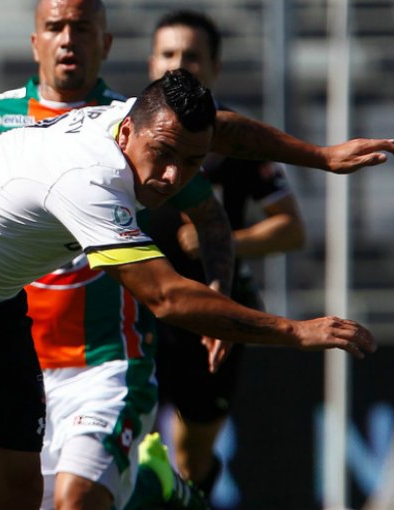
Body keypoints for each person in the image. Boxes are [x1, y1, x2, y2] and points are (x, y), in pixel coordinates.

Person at [0, 68, 394, 510]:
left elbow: (221, 127)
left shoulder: (128, 118)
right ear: (129, 133)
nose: (171, 178)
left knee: (15, 493)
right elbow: (166, 298)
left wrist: (320, 156)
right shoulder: (89, 179)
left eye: (190, 163)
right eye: (163, 157)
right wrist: (294, 331)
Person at [0, 1, 233, 508]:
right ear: (35, 41)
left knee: (75, 502)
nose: (67, 39)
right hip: (10, 360)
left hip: (102, 360)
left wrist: (217, 292)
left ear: (106, 43)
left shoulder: (137, 126)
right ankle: (153, 489)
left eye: (82, 28)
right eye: (55, 27)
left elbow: (210, 217)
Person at [145, 10, 306, 499]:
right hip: (138, 309)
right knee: (116, 436)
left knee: (192, 456)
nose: (178, 65)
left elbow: (291, 229)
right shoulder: (121, 130)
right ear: (151, 61)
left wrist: (224, 240)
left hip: (210, 315)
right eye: (168, 54)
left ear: (214, 67)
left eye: (191, 56)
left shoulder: (236, 139)